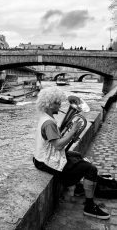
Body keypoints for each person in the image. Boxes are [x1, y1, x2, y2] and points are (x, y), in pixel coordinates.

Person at [33, 87, 110, 220]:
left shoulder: (45, 117)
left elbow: (55, 141)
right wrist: (72, 131)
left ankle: (81, 188)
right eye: (58, 103)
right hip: (46, 161)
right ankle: (89, 206)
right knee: (91, 169)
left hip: (40, 157)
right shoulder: (49, 123)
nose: (60, 105)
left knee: (77, 156)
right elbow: (58, 145)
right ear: (50, 104)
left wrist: (70, 136)